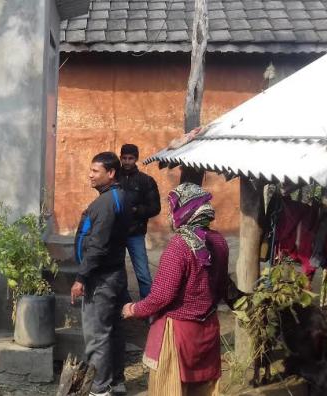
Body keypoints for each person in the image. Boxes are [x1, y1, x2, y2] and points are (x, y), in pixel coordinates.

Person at [122, 183, 229, 395]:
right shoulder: (219, 241)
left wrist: (133, 309)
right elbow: (221, 286)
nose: (170, 215)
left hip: (178, 333)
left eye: (173, 208)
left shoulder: (179, 246)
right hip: (207, 329)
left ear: (186, 210)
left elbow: (161, 296)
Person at [71, 152, 131, 396]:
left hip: (102, 279)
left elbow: (98, 246)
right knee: (113, 331)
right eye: (90, 170)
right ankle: (116, 382)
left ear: (111, 173)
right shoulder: (120, 196)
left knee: (97, 336)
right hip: (115, 273)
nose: (90, 175)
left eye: (95, 171)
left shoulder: (105, 204)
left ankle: (100, 389)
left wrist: (81, 277)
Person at [118, 143, 160, 299]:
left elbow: (155, 208)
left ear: (136, 159)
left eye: (131, 158)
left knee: (143, 274)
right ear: (120, 158)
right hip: (116, 233)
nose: (127, 161)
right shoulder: (113, 178)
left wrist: (136, 210)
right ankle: (122, 307)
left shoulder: (146, 181)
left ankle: (148, 311)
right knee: (118, 274)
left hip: (136, 233)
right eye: (124, 158)